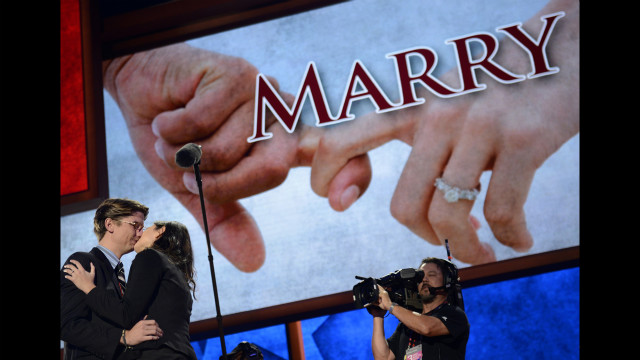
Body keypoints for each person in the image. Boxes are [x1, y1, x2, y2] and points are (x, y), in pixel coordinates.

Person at [64, 220, 199, 359]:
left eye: (145, 229)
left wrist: (89, 288)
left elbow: (126, 315)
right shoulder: (177, 274)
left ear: (160, 232)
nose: (140, 234)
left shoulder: (150, 256)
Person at [60, 198, 163, 359]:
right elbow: (66, 324)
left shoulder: (119, 273)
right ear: (110, 225)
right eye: (135, 225)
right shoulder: (82, 262)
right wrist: (123, 337)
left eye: (142, 228)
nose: (140, 233)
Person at [367, 257, 469, 359]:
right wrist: (378, 315)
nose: (424, 279)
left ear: (447, 280)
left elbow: (427, 328)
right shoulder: (406, 326)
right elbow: (383, 357)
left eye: (431, 275)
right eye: (421, 276)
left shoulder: (455, 314)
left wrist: (390, 305)